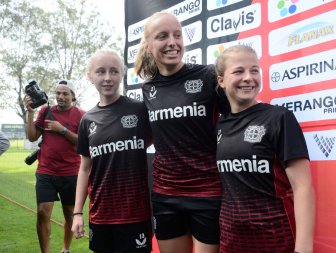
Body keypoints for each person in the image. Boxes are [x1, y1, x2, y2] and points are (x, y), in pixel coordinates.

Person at [135, 11, 229, 253]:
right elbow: (148, 137)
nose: (172, 42)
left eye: (177, 35)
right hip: (166, 195)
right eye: (162, 36)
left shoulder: (208, 76)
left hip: (208, 193)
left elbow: (236, 121)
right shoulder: (148, 89)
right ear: (148, 45)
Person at [214, 45, 315, 253]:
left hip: (276, 239)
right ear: (221, 80)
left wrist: (303, 249)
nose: (248, 77)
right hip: (231, 240)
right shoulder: (218, 126)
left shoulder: (279, 118)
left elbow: (302, 188)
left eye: (254, 70)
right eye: (238, 71)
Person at [71, 49, 152, 253]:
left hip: (135, 215)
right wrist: (77, 213)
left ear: (122, 74)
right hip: (101, 216)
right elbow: (84, 169)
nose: (108, 78)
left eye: (114, 71)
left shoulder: (140, 110)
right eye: (100, 72)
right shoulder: (87, 120)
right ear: (91, 77)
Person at [24, 80, 85, 253]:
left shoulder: (81, 115)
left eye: (65, 93)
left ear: (73, 96)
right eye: (58, 93)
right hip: (46, 171)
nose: (60, 96)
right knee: (42, 213)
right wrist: (30, 113)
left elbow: (84, 143)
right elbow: (32, 137)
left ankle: (65, 249)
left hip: (71, 172)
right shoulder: (45, 111)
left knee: (69, 215)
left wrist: (62, 130)